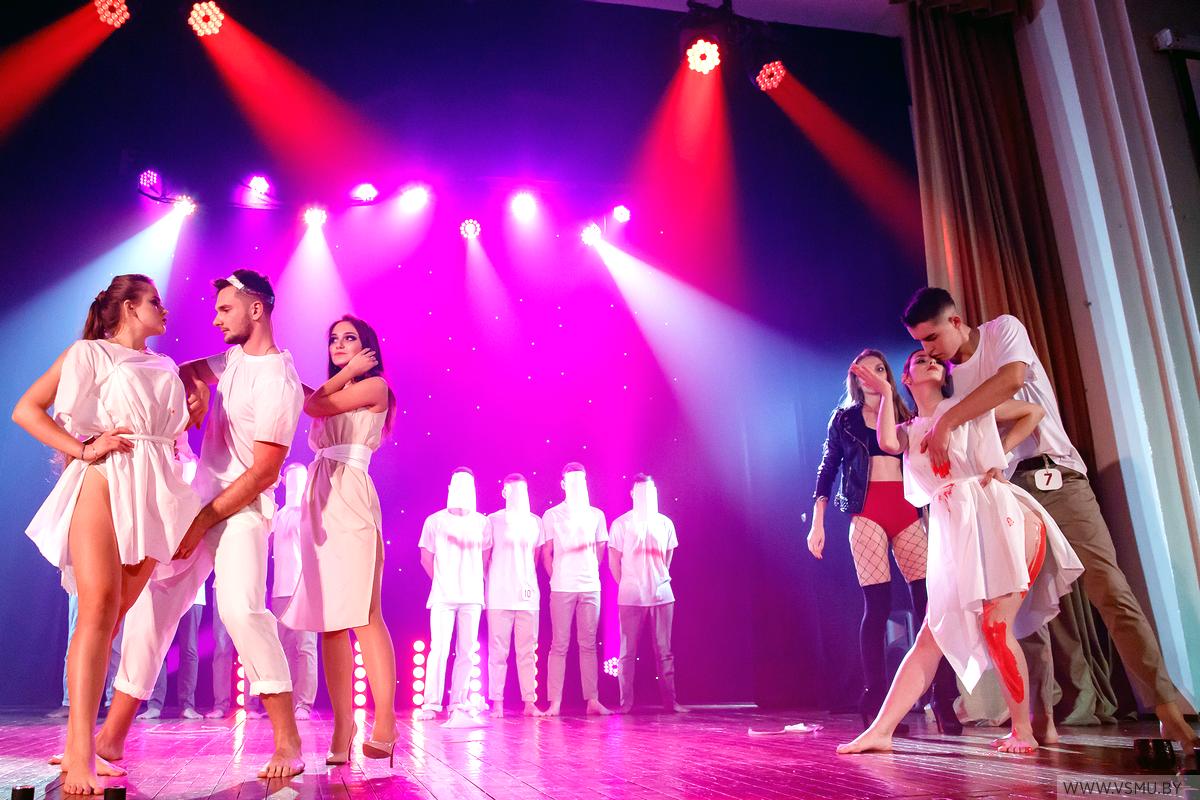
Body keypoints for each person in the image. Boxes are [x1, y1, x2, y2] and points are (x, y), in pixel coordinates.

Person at [901, 287, 1198, 749]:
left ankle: (1167, 710)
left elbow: (1012, 382)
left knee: (1109, 589)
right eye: (921, 344)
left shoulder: (1002, 331)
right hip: (1003, 493)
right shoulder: (951, 384)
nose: (929, 349)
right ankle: (1040, 724)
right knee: (1020, 617)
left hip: (1055, 476)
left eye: (932, 337)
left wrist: (949, 421)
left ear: (956, 321)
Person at [94, 269, 306, 779]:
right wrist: (199, 394)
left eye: (225, 310)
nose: (215, 320)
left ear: (256, 309)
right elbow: (187, 369)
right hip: (202, 504)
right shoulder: (231, 360)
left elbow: (263, 473)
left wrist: (200, 522)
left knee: (240, 609)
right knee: (152, 607)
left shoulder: (278, 380)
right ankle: (109, 741)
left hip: (242, 510)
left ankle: (288, 742)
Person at [839, 350, 1083, 755]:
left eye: (935, 358)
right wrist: (883, 390)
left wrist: (1001, 454)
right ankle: (881, 730)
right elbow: (885, 442)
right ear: (906, 378)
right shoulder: (908, 430)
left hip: (998, 515)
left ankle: (1023, 730)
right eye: (919, 360)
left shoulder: (969, 409)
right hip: (954, 527)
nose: (931, 360)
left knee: (996, 625)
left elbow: (1032, 413)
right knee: (930, 634)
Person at [14, 274, 199, 793]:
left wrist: (191, 416)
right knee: (96, 610)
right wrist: (83, 448)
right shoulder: (90, 354)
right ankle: (79, 754)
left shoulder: (165, 365)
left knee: (113, 618)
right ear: (129, 308)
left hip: (155, 489)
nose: (164, 309)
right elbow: (26, 409)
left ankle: (87, 746)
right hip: (104, 477)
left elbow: (172, 435)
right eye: (154, 301)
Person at [808, 349, 960, 732]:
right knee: (878, 606)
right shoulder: (844, 419)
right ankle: (875, 701)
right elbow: (828, 467)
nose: (873, 376)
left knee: (929, 605)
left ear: (888, 375)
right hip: (867, 511)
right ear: (855, 379)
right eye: (864, 372)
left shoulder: (906, 415)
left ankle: (943, 697)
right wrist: (818, 522)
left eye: (879, 369)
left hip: (907, 510)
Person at [279, 315, 397, 763]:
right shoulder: (330, 390)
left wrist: (348, 373)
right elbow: (300, 396)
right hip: (319, 501)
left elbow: (313, 407)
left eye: (350, 339)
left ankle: (385, 722)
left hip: (351, 495)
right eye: (333, 340)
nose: (339, 345)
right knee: (330, 620)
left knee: (365, 614)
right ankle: (343, 727)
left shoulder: (374, 386)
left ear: (368, 349)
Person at [416, 468, 489, 726]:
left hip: (472, 596)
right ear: (450, 488)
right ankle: (431, 703)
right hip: (443, 596)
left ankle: (458, 701)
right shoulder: (435, 521)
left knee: (467, 651)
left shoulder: (482, 522)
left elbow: (485, 556)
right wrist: (441, 580)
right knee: (439, 649)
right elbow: (426, 557)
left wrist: (471, 579)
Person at [609, 474, 686, 714]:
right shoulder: (621, 524)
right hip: (631, 597)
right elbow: (613, 561)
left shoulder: (665, 523)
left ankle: (670, 702)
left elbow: (667, 558)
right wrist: (629, 584)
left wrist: (657, 579)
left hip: (661, 595)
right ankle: (626, 703)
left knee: (664, 651)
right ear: (632, 494)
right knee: (627, 653)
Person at [542, 463, 612, 716]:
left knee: (588, 644)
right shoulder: (552, 515)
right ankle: (555, 702)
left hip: (590, 586)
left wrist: (590, 570)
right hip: (562, 587)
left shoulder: (596, 514)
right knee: (559, 644)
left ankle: (592, 700)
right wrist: (556, 576)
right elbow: (546, 552)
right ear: (563, 484)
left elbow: (601, 548)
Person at [482, 473, 546, 718]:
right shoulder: (493, 520)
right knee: (498, 651)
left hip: (527, 597)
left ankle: (529, 702)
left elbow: (535, 557)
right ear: (504, 491)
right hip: (499, 595)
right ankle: (497, 702)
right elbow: (485, 558)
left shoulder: (535, 522)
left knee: (527, 651)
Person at [262, 464, 318, 722]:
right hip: (280, 591)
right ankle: (287, 701)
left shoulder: (311, 512)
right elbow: (266, 543)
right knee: (284, 649)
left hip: (305, 590)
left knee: (305, 647)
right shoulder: (278, 515)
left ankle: (304, 702)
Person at [138, 585, 204, 720]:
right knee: (159, 650)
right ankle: (154, 705)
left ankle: (187, 705)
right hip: (163, 593)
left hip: (193, 595)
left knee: (189, 651)